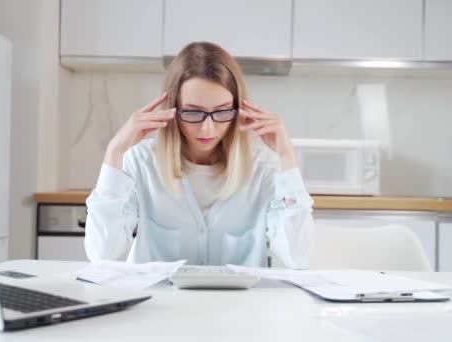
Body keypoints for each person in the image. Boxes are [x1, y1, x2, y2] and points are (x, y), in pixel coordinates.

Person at [84, 41, 314, 269]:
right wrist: (114, 152)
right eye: (193, 112)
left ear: (238, 110)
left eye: (222, 112)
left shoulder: (264, 167)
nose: (208, 129)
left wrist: (287, 156)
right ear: (173, 109)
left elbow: (299, 257)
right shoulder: (141, 162)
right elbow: (102, 255)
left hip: (241, 304)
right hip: (158, 303)